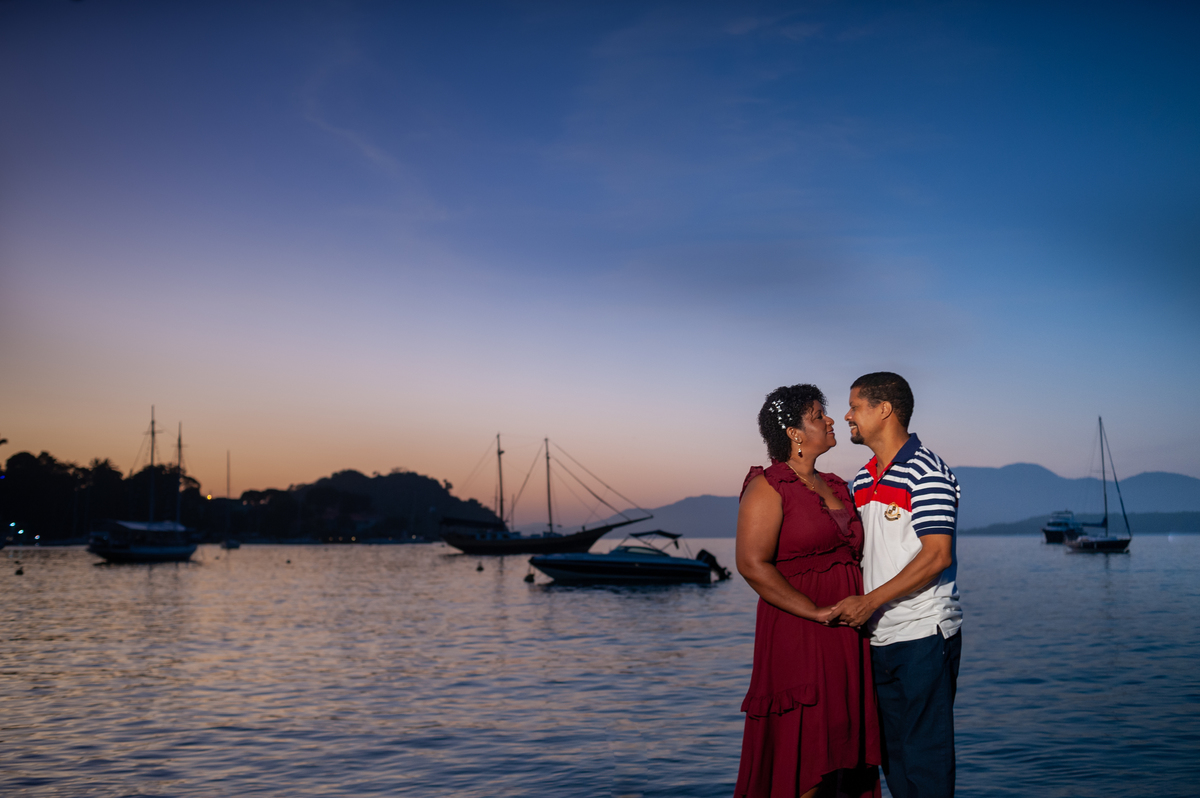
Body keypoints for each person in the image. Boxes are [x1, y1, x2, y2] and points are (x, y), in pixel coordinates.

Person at [734, 384, 881, 798]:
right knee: (806, 758)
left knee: (843, 754)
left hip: (847, 636)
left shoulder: (836, 485)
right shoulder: (768, 487)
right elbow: (751, 564)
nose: (831, 420)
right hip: (800, 633)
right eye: (819, 415)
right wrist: (815, 612)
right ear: (794, 433)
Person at [830, 372, 962, 798]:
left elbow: (937, 556)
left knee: (926, 765)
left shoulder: (928, 471)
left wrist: (869, 603)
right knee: (895, 765)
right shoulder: (863, 479)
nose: (846, 415)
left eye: (855, 406)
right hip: (878, 639)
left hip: (923, 634)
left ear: (883, 409)